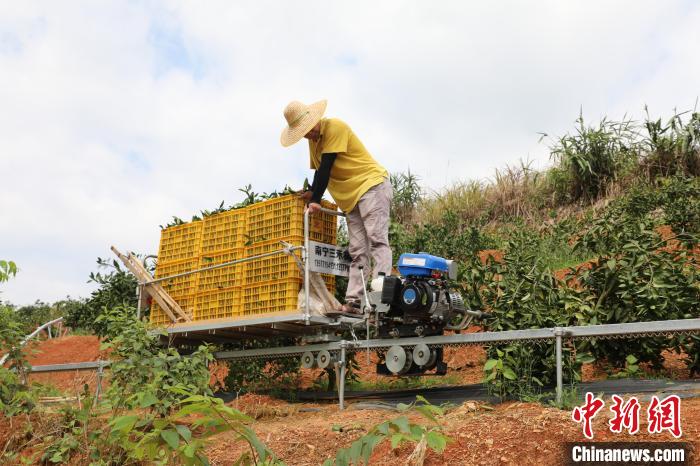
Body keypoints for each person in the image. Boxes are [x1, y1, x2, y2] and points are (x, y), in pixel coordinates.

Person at [280, 99, 392, 316]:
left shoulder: (335, 127)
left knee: (377, 240)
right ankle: (355, 302)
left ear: (315, 120)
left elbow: (327, 165)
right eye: (303, 134)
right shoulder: (313, 143)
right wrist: (312, 192)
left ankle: (382, 295)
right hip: (350, 198)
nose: (308, 135)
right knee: (358, 251)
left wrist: (316, 200)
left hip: (371, 186)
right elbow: (319, 172)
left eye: (308, 130)